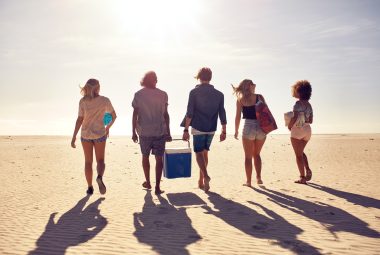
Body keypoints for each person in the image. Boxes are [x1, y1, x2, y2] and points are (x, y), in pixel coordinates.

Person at [182, 67, 227, 192]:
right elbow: (222, 112)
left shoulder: (194, 92)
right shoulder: (219, 94)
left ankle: (205, 176)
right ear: (210, 77)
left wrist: (185, 130)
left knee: (198, 153)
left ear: (199, 77)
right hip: (211, 127)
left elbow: (189, 113)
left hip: (198, 126)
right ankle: (201, 180)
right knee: (205, 152)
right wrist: (224, 130)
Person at [71, 78, 117, 195]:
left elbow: (80, 119)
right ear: (97, 88)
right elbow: (114, 115)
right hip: (100, 134)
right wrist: (107, 127)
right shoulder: (105, 100)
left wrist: (74, 136)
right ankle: (99, 177)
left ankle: (90, 187)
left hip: (85, 134)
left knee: (88, 162)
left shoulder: (83, 101)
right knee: (100, 160)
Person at [132, 71, 172, 195]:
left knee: (145, 156)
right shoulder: (163, 94)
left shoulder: (139, 95)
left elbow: (135, 114)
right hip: (159, 131)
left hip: (144, 131)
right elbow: (165, 114)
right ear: (155, 80)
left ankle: (148, 182)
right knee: (159, 159)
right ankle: (157, 187)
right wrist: (168, 132)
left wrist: (133, 131)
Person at [232, 79, 267, 187]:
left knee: (248, 157)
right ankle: (259, 178)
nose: (255, 86)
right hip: (261, 127)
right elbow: (266, 112)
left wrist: (236, 130)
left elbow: (237, 116)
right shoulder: (259, 97)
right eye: (253, 84)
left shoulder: (240, 100)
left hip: (248, 127)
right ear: (250, 86)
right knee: (256, 154)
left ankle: (248, 181)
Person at [288, 80, 313, 184]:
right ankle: (307, 168)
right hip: (307, 130)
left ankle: (302, 178)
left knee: (298, 155)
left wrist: (289, 125)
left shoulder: (298, 104)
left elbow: (295, 117)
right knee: (300, 151)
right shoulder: (309, 105)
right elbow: (311, 120)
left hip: (298, 130)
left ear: (298, 92)